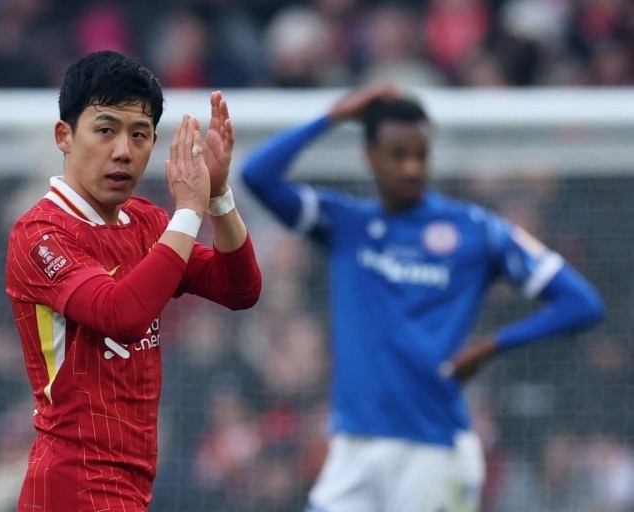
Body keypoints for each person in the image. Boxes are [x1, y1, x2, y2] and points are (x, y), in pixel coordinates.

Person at [240, 84, 605, 512]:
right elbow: (256, 176)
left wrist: (491, 346)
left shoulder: (476, 231)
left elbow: (581, 303)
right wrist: (333, 116)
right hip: (354, 449)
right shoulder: (346, 224)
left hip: (433, 451)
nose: (412, 167)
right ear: (370, 156)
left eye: (421, 154)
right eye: (398, 155)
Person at [5, 50, 262, 512]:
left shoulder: (146, 222)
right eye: (105, 130)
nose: (123, 150)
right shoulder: (40, 235)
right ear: (64, 136)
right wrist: (189, 210)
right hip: (75, 484)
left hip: (127, 483)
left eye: (139, 134)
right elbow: (120, 315)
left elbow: (240, 289)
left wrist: (218, 195)